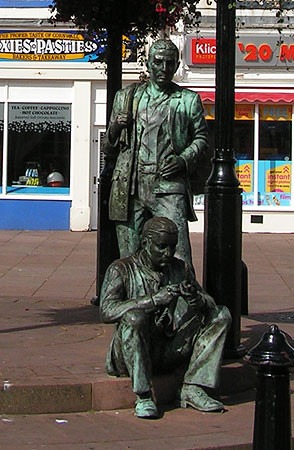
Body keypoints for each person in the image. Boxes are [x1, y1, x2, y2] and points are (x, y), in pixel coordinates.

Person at [99, 217, 231, 419]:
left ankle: (193, 386)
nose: (168, 253)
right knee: (135, 318)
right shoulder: (121, 269)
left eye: (172, 247)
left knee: (220, 314)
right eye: (161, 247)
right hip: (131, 352)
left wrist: (196, 300)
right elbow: (107, 311)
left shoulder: (179, 268)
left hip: (168, 348)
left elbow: (209, 303)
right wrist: (152, 300)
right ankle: (143, 396)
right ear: (145, 243)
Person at [102, 39, 208, 269]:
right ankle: (134, 300)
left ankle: (183, 300)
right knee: (129, 257)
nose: (164, 68)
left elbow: (201, 138)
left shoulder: (188, 100)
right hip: (130, 186)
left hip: (168, 186)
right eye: (158, 62)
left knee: (179, 254)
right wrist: (115, 128)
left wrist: (183, 159)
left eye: (170, 63)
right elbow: (108, 148)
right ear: (148, 64)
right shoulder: (126, 97)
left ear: (177, 65)